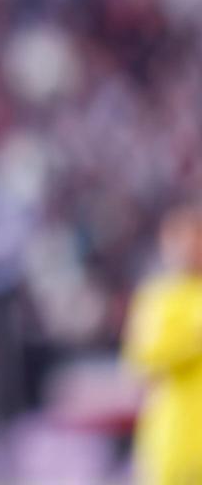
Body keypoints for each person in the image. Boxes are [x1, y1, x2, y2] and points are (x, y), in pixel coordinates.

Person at [122, 202, 202, 484]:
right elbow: (143, 359)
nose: (190, 248)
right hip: (175, 432)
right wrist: (192, 339)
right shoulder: (158, 296)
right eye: (180, 240)